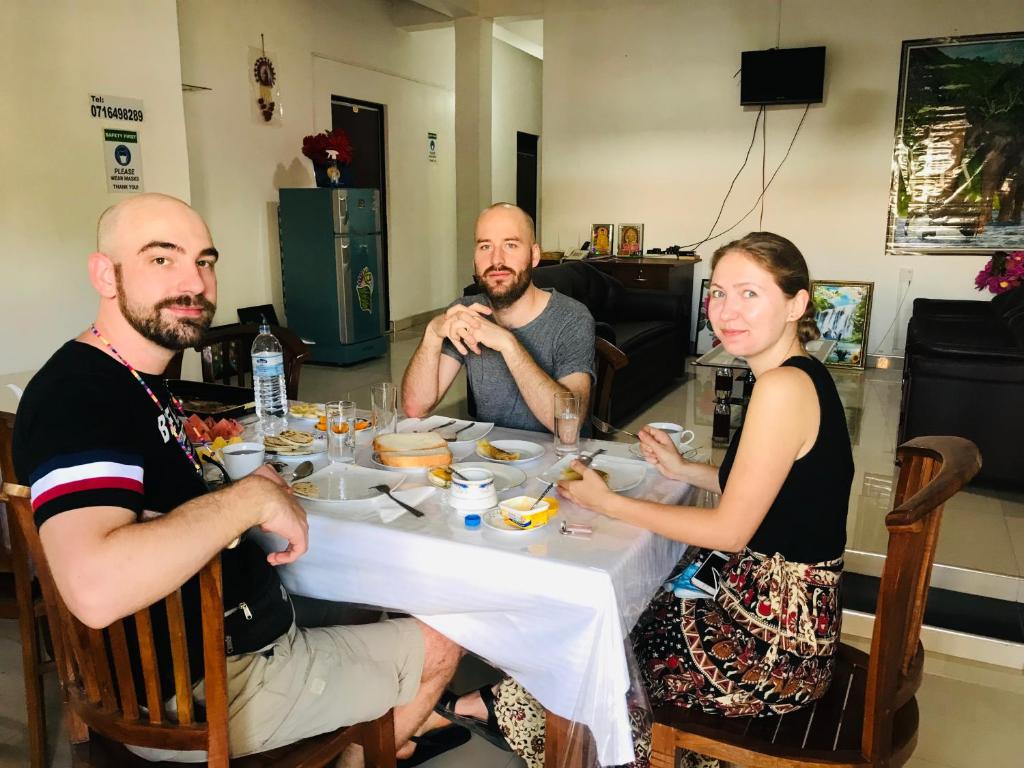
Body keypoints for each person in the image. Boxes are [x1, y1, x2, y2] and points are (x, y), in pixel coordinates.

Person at [13, 193, 463, 766]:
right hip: (200, 688)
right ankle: (363, 753)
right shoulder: (77, 395)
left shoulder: (132, 378)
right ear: (106, 274)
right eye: (161, 259)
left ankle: (364, 735)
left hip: (214, 637)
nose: (195, 283)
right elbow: (95, 588)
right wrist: (247, 498)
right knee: (443, 638)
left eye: (204, 260)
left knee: (372, 595)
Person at [443, 232, 854, 768]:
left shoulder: (780, 389)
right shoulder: (799, 376)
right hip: (794, 619)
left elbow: (731, 531)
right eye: (720, 293)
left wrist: (609, 503)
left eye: (750, 294)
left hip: (770, 645)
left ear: (796, 304)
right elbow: (780, 487)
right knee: (622, 608)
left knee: (592, 641)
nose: (727, 310)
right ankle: (489, 707)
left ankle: (509, 718)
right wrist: (685, 470)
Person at [402, 203, 595, 433]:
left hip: (560, 465)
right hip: (491, 461)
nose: (497, 260)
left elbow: (568, 425)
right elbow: (415, 408)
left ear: (534, 256)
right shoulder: (467, 312)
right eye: (485, 246)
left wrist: (509, 345)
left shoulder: (571, 318)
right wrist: (432, 334)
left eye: (511, 245)